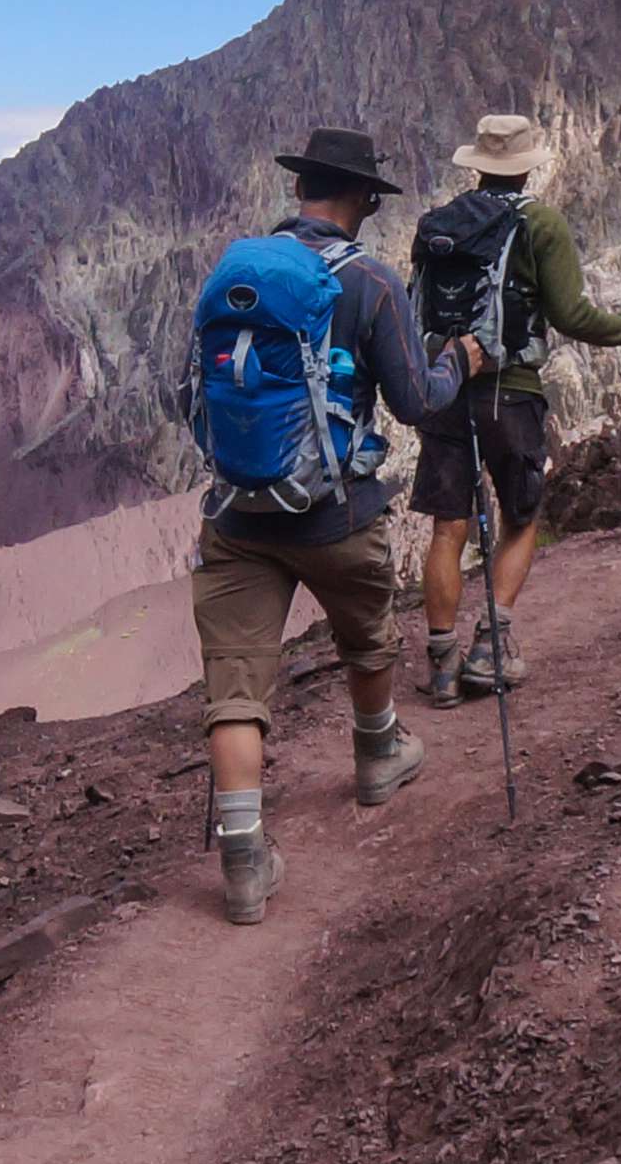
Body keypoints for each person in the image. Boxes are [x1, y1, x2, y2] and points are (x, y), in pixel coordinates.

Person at [182, 126, 476, 927]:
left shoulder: (236, 275)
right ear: (362, 202)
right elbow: (418, 401)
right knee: (369, 636)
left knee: (236, 686)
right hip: (335, 513)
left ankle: (243, 862)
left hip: (238, 514)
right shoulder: (372, 282)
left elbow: (188, 399)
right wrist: (463, 363)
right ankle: (378, 752)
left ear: (301, 191)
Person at [409, 112, 621, 704]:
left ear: (478, 166)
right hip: (510, 391)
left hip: (446, 386)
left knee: (449, 526)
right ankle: (491, 648)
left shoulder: (437, 226)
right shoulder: (540, 223)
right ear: (525, 168)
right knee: (520, 518)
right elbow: (572, 316)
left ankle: (441, 665)